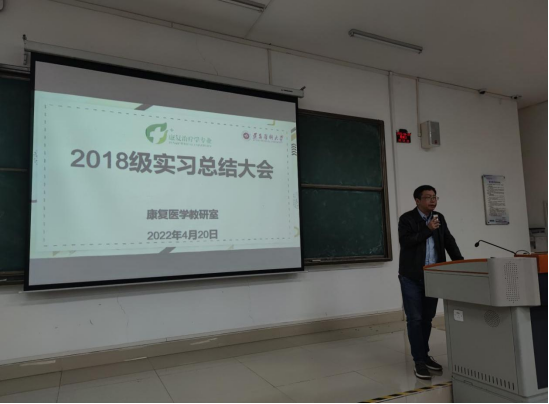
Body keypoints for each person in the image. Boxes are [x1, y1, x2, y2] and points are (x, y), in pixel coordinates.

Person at [399, 185, 464, 380]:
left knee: (427, 318)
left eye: (435, 197)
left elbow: (448, 241)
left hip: (433, 275)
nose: (433, 200)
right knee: (415, 318)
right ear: (417, 200)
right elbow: (406, 242)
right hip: (411, 276)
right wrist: (427, 229)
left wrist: (460, 263)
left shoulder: (439, 218)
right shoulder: (407, 219)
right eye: (428, 197)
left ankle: (425, 356)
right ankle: (419, 360)